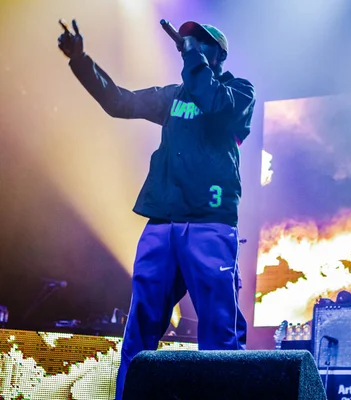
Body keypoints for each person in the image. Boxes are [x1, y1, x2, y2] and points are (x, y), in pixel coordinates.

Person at [57, 18, 255, 400]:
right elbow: (120, 102)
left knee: (219, 334)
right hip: (161, 223)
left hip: (209, 224)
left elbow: (213, 102)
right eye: (188, 40)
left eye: (200, 41)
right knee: (140, 328)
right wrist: (81, 60)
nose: (191, 44)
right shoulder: (172, 96)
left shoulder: (238, 92)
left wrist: (192, 59)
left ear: (217, 53)